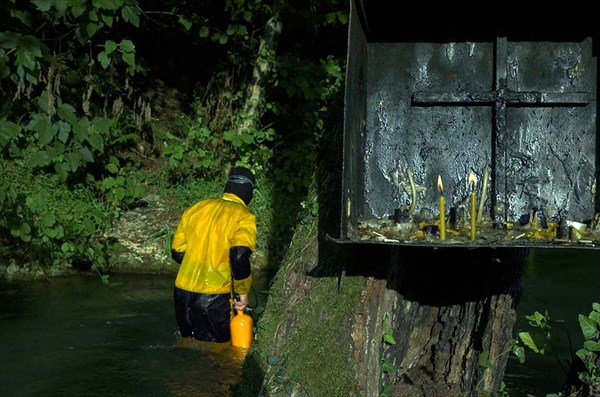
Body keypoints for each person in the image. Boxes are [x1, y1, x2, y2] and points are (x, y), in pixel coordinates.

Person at [170, 167, 256, 342]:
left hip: (182, 294)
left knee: (187, 344)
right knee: (219, 353)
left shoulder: (196, 208)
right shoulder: (244, 216)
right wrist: (242, 292)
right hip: (215, 297)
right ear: (249, 192)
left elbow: (177, 251)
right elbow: (239, 255)